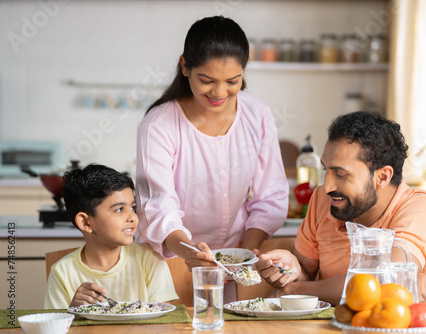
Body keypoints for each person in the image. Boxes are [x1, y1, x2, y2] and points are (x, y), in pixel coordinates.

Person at [135, 16, 288, 272]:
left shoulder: (257, 114)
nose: (219, 93)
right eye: (207, 80)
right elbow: (159, 208)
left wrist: (245, 255)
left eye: (232, 82)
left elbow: (271, 196)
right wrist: (189, 253)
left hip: (237, 257)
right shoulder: (158, 125)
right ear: (185, 67)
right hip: (172, 260)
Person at [256, 111, 426, 304]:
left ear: (382, 177)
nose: (327, 187)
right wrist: (290, 270)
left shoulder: (422, 209)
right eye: (326, 170)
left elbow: (385, 281)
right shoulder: (322, 199)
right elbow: (306, 279)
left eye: (340, 174)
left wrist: (295, 289)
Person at [44, 164, 178, 309]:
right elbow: (55, 325)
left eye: (133, 207)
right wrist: (73, 311)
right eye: (119, 209)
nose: (132, 217)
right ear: (85, 222)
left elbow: (163, 321)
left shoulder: (149, 259)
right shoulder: (62, 272)